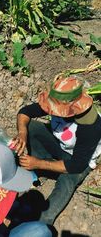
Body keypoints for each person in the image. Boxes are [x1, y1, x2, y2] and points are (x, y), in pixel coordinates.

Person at [13, 76, 101, 225]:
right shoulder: (57, 103)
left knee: (68, 180)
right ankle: (40, 169)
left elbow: (76, 165)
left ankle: (43, 220)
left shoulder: (90, 126)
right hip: (61, 145)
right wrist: (22, 133)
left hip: (80, 159)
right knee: (31, 127)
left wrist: (39, 163)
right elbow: (25, 112)